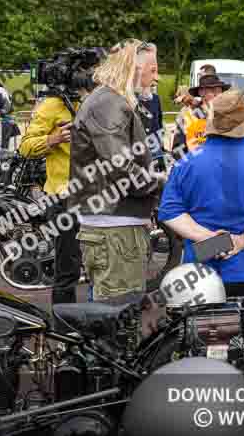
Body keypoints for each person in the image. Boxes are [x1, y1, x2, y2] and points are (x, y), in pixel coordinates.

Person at [158, 89, 244, 313]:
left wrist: (212, 239)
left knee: (199, 337)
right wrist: (241, 241)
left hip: (200, 269)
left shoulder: (187, 163)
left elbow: (170, 213)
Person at [69, 39, 165, 305]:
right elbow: (121, 167)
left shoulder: (108, 100)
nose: (156, 78)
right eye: (153, 69)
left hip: (114, 225)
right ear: (133, 68)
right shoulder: (109, 103)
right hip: (115, 229)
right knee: (118, 318)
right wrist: (160, 183)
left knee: (117, 315)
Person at [19, 73, 95, 304]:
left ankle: (96, 325)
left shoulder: (94, 100)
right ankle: (64, 330)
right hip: (63, 198)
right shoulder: (52, 105)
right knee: (67, 270)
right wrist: (52, 139)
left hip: (96, 194)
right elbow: (25, 147)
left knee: (98, 263)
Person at [137, 80, 165, 170]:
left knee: (158, 173)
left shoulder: (156, 98)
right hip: (140, 145)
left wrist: (161, 143)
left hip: (155, 144)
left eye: (153, 86)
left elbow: (159, 121)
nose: (153, 88)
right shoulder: (134, 99)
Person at [0, 79, 19, 150]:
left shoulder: (0, 92)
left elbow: (5, 107)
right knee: (5, 144)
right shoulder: (3, 90)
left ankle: (3, 158)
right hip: (9, 119)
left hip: (6, 119)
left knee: (3, 144)